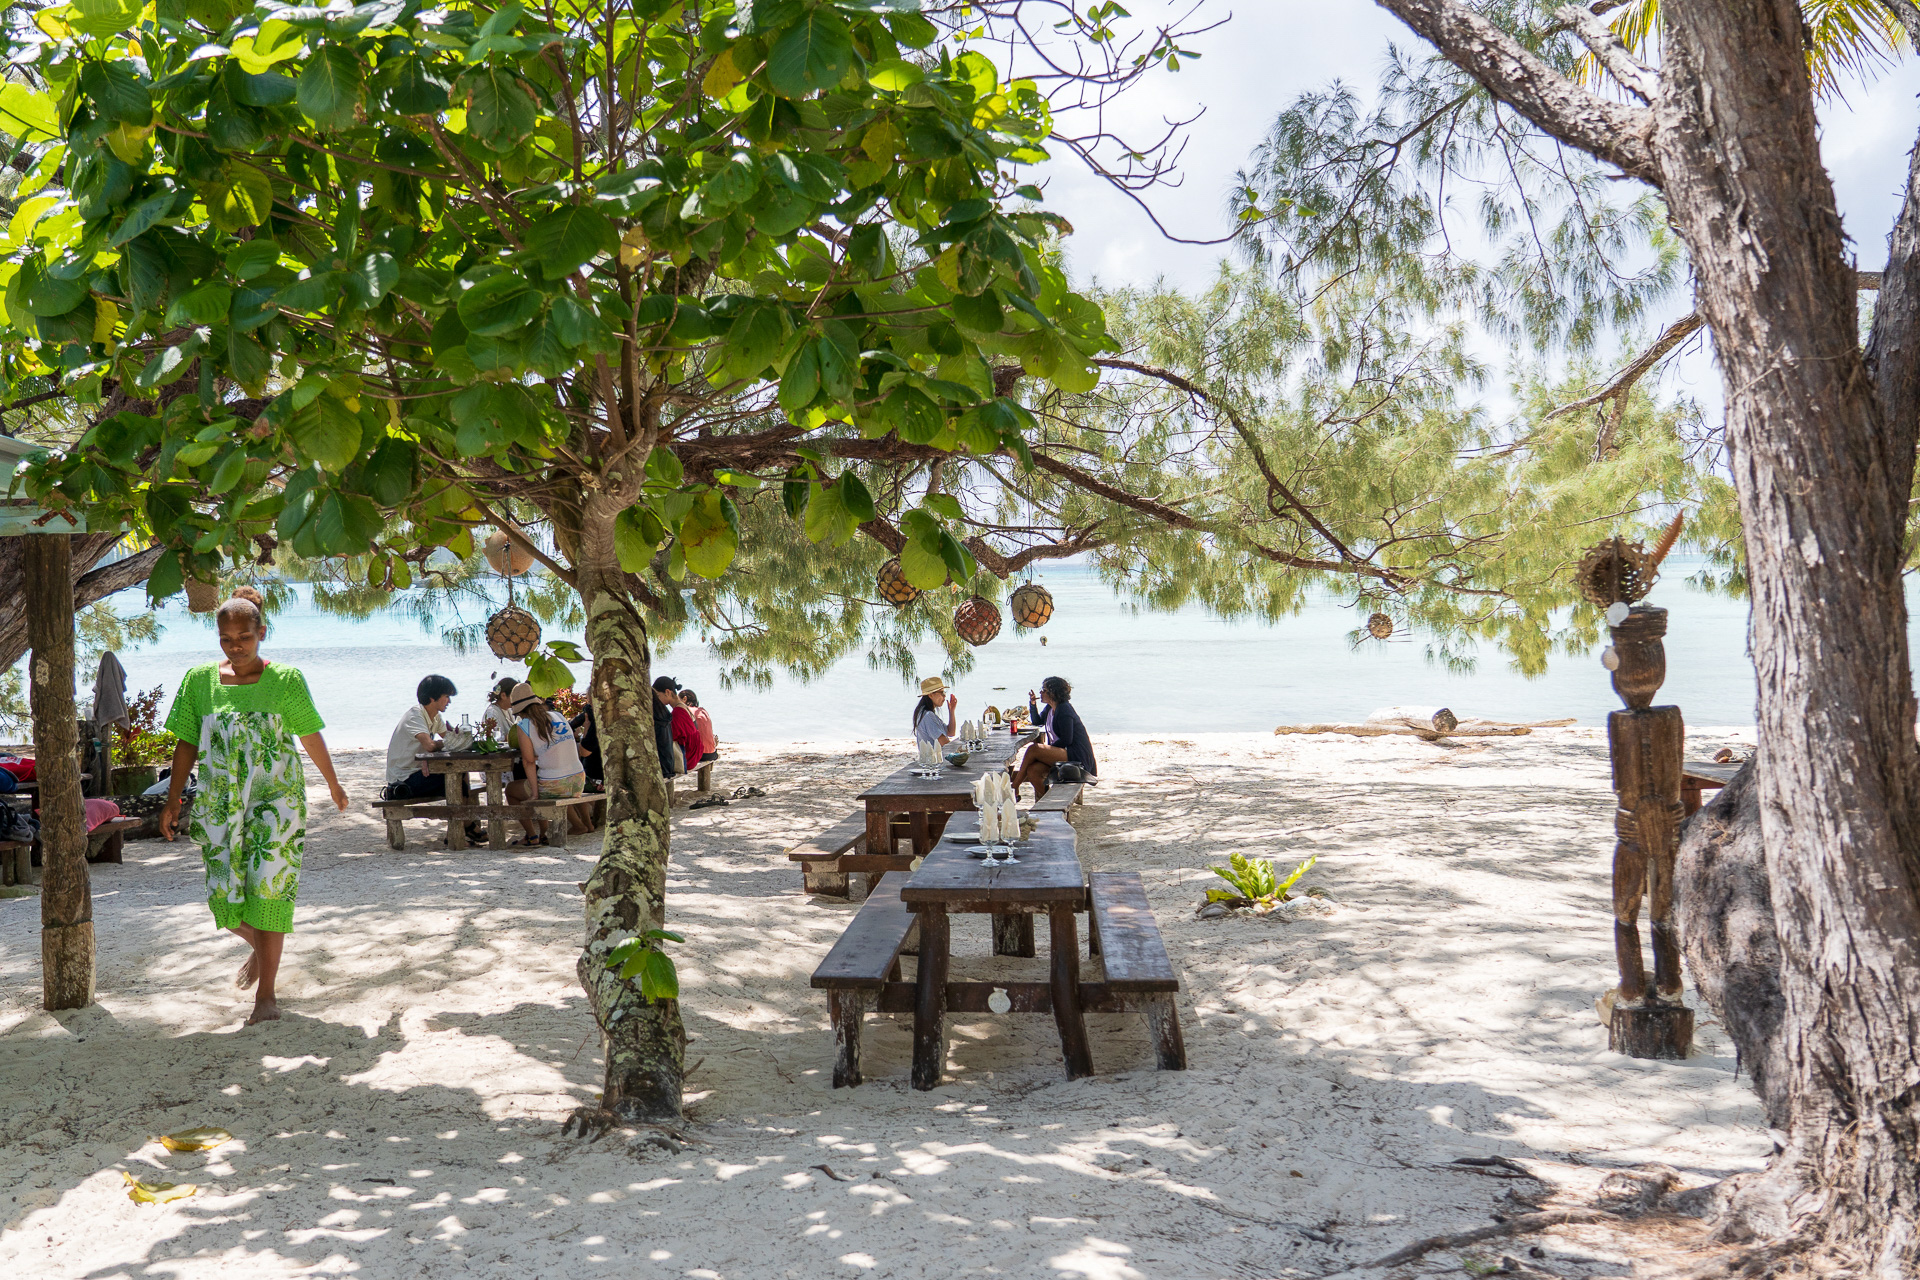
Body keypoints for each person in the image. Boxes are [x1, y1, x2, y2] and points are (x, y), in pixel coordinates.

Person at [159, 586, 350, 1025]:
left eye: (244, 636)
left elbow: (309, 735)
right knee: (223, 898)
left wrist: (334, 784)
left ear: (261, 632)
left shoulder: (286, 680)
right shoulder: (198, 682)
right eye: (227, 639)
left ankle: (266, 997)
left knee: (270, 893)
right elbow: (187, 742)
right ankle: (260, 951)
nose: (236, 646)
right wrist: (173, 799)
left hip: (275, 802)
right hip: (219, 803)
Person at [503, 682, 585, 844]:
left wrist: (534, 793)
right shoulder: (558, 716)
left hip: (556, 785)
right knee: (554, 778)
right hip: (578, 781)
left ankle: (532, 835)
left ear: (519, 710)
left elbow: (528, 762)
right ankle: (545, 832)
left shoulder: (524, 725)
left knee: (511, 790)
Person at [1009, 675, 1097, 800]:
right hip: (1063, 754)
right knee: (1033, 770)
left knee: (1034, 749)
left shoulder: (1064, 710)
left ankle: (1014, 786)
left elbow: (1067, 739)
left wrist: (1045, 751)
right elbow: (1037, 721)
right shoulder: (1051, 707)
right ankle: (1048, 802)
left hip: (1076, 756)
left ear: (1053, 693)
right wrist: (1033, 704)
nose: (1041, 692)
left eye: (1044, 690)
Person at [384, 675, 457, 800]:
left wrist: (456, 736)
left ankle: (465, 818)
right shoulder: (415, 715)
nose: (449, 701)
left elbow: (453, 741)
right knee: (456, 778)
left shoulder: (435, 717)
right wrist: (445, 743)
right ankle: (462, 818)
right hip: (403, 780)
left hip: (417, 773)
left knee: (459, 777)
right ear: (432, 697)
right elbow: (430, 745)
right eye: (446, 696)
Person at [653, 676, 703, 777]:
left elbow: (671, 736)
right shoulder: (683, 707)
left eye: (657, 695)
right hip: (695, 753)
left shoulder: (678, 713)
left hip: (688, 758)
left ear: (667, 692)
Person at [912, 676, 957, 748]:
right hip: (935, 758)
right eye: (941, 693)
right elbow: (945, 744)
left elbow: (951, 732)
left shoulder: (924, 712)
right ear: (930, 695)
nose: (944, 696)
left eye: (944, 693)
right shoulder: (928, 716)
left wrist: (951, 711)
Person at [681, 690, 718, 772]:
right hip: (712, 753)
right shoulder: (703, 711)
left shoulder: (686, 711)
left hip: (700, 754)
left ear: (684, 699)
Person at [570, 699, 602, 789]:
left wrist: (586, 730)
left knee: (577, 801)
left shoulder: (598, 722)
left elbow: (584, 752)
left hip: (595, 778)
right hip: (606, 776)